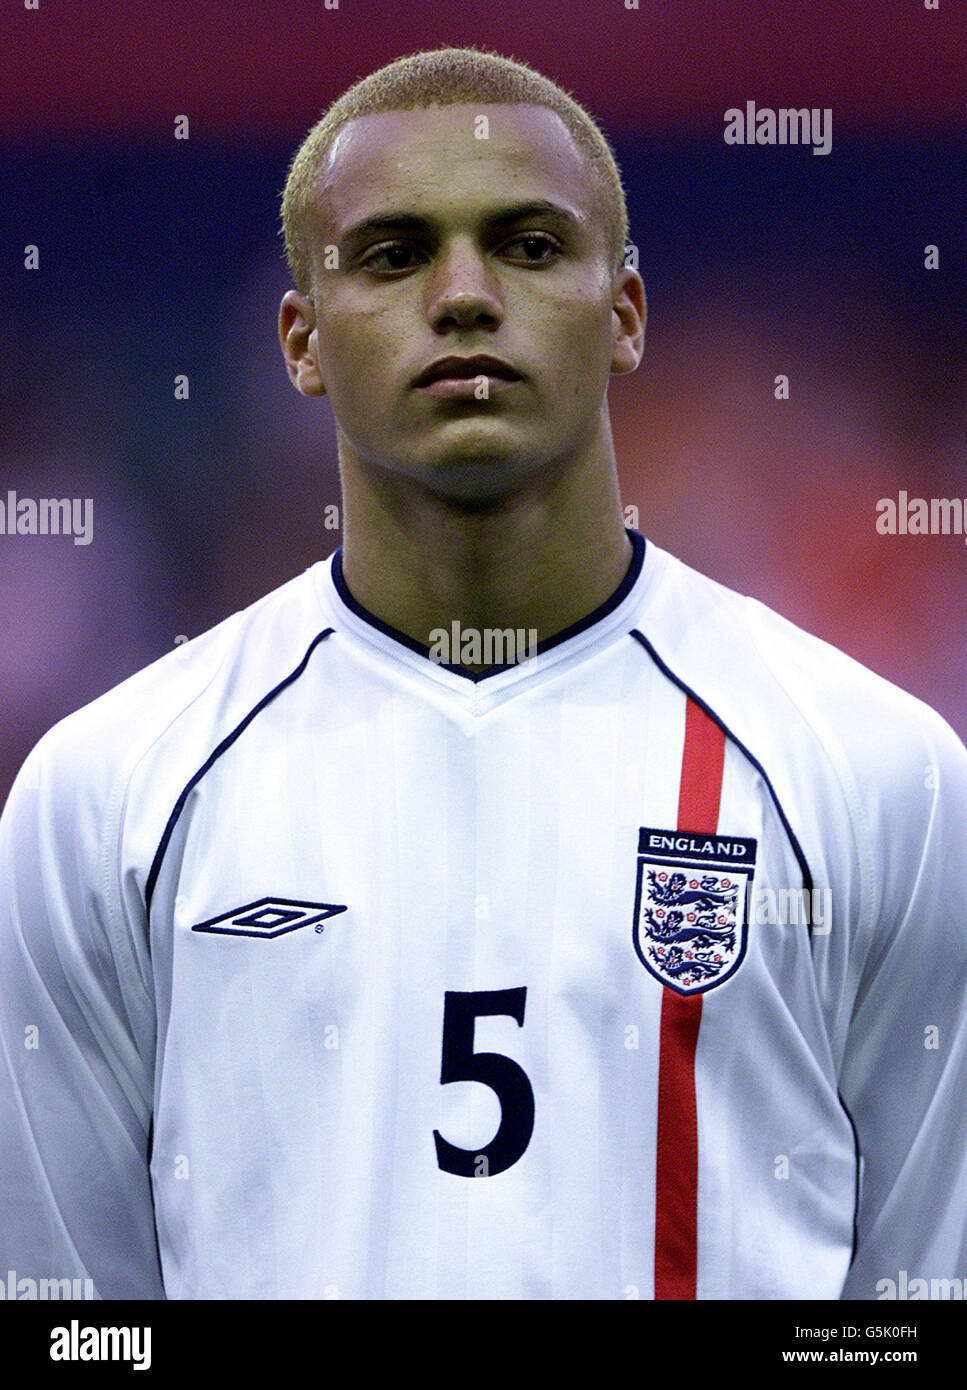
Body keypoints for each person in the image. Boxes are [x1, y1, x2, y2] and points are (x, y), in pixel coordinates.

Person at [1, 45, 965, 1302]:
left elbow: (919, 1304)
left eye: (525, 244)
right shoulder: (106, 796)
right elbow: (74, 1328)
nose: (463, 296)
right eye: (395, 256)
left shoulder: (877, 774)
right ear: (299, 339)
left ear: (623, 312)